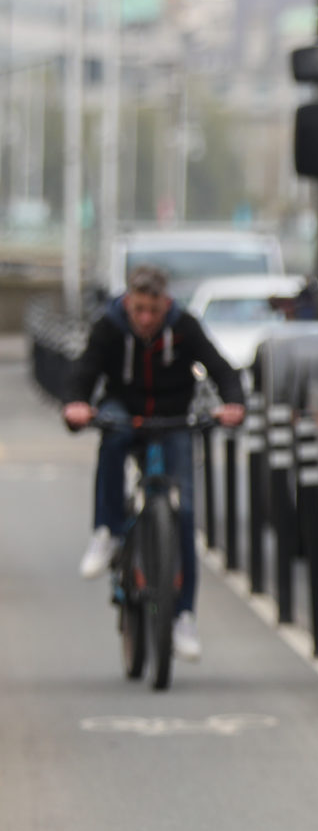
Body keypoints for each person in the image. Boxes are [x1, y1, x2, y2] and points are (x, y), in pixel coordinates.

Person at [61, 265, 246, 662]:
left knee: (184, 515)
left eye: (154, 310)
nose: (145, 318)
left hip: (172, 416)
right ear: (128, 302)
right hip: (124, 408)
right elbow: (85, 371)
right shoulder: (109, 327)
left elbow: (222, 369)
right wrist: (75, 405)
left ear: (166, 305)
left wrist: (233, 404)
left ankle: (183, 617)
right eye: (139, 309)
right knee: (114, 439)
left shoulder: (185, 328)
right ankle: (107, 530)